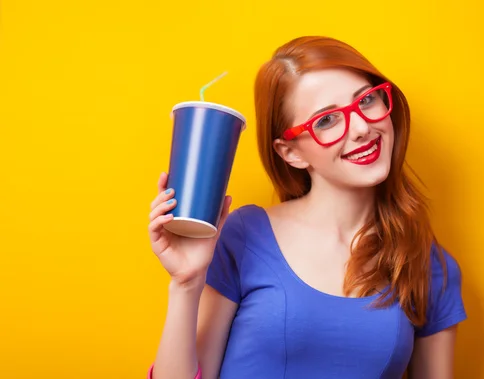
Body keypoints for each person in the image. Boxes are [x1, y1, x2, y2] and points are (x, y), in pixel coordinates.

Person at [147, 36, 467, 379]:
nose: (362, 127)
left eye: (367, 100)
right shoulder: (245, 234)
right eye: (327, 120)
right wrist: (185, 282)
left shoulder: (427, 264)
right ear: (291, 152)